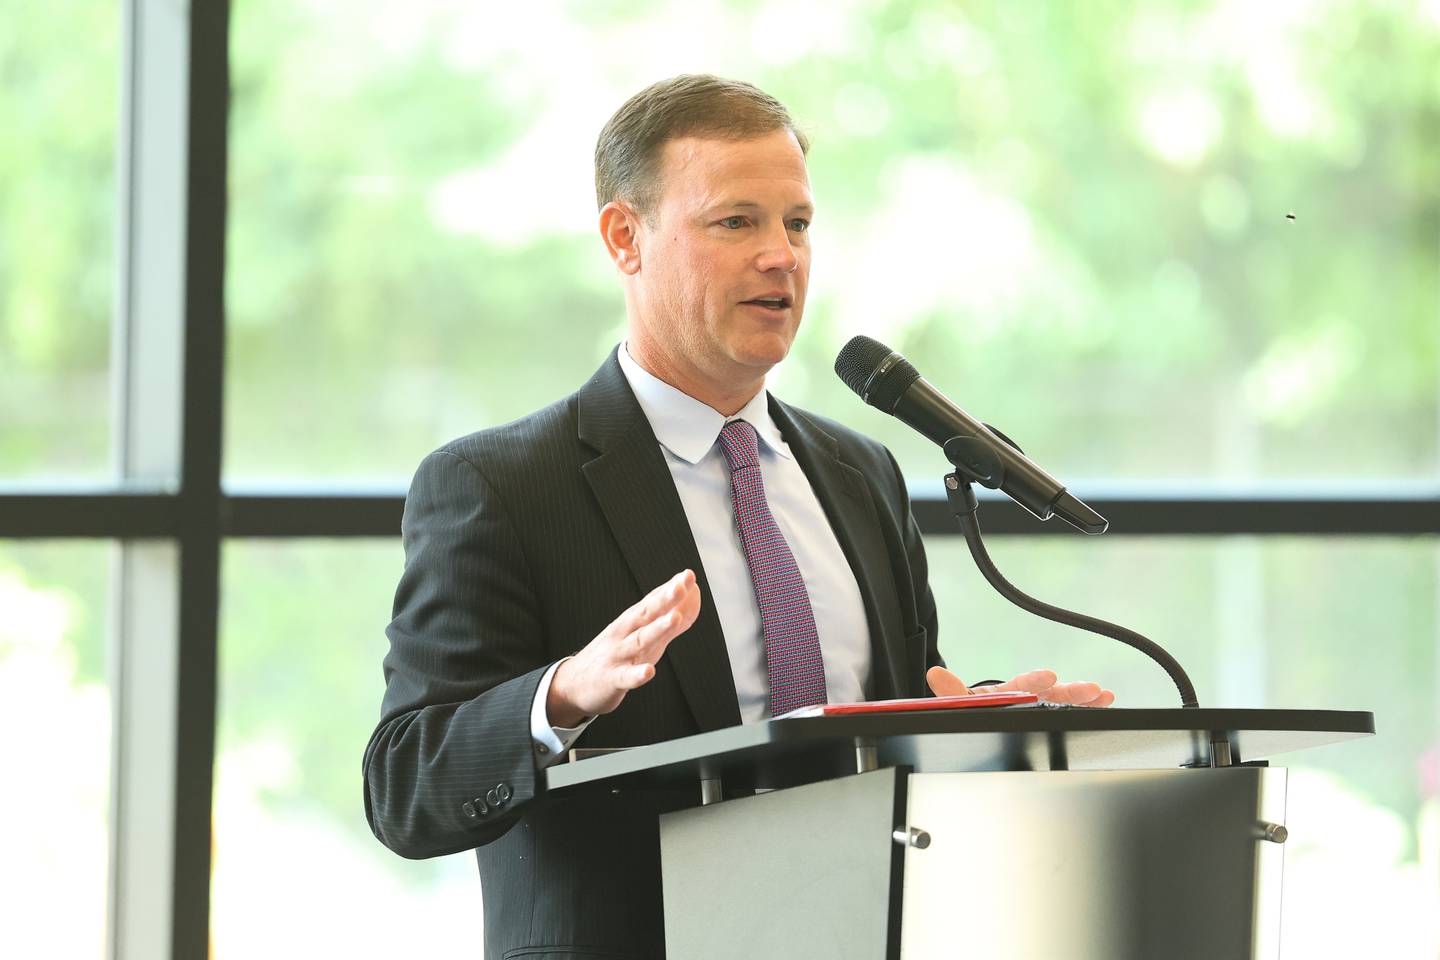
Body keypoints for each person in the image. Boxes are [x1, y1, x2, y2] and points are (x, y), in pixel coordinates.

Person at [363, 74, 1113, 960]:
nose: (782, 256)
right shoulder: (499, 484)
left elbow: (896, 720)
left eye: (797, 223)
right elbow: (406, 786)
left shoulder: (859, 472)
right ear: (624, 238)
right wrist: (559, 697)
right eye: (736, 222)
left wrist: (981, 723)